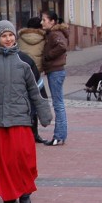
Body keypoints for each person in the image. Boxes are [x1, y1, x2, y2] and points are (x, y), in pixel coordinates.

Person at [0, 21, 52, 203]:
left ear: (15, 37)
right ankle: (8, 196)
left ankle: (24, 192)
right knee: (2, 162)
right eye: (4, 36)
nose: (8, 39)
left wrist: (44, 114)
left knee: (23, 158)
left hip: (20, 119)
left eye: (11, 35)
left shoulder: (25, 62)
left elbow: (36, 90)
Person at [18, 16, 48, 143]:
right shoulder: (43, 38)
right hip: (34, 73)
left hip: (20, 72)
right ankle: (34, 133)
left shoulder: (20, 38)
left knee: (22, 102)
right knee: (35, 101)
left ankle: (23, 130)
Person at [41, 11, 69, 146]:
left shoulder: (54, 34)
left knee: (58, 104)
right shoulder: (53, 33)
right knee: (59, 103)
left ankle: (59, 136)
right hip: (56, 70)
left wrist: (48, 56)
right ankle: (60, 135)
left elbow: (62, 46)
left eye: (44, 20)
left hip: (56, 70)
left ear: (52, 22)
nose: (42, 22)